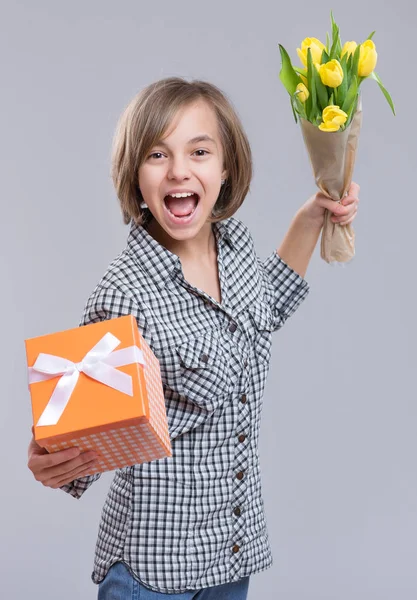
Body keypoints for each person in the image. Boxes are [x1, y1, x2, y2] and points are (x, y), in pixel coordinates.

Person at [27, 77, 360, 600]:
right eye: (157, 154)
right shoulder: (123, 295)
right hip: (155, 572)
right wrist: (51, 455)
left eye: (199, 151)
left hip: (230, 553)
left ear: (225, 169)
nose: (179, 169)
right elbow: (76, 441)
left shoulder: (237, 244)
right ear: (136, 176)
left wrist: (312, 216)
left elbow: (265, 304)